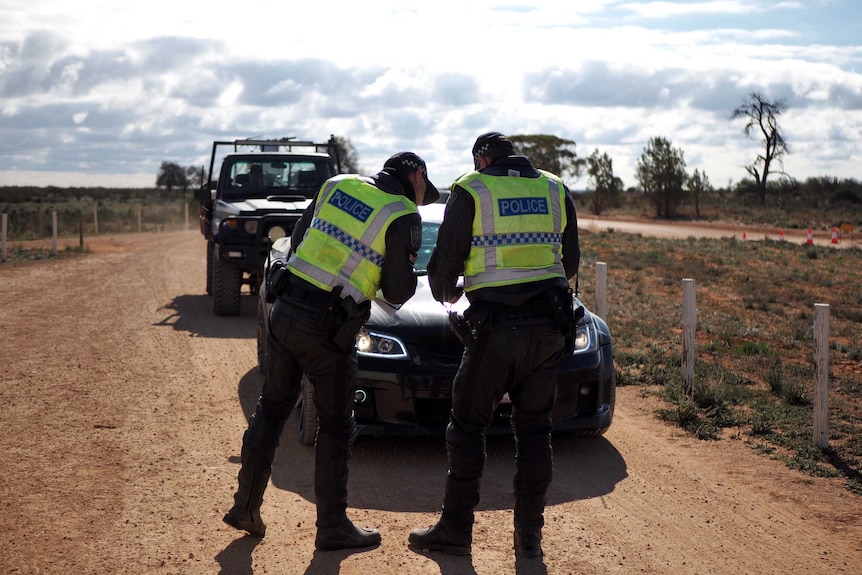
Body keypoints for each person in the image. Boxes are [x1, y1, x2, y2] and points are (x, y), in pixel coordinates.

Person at [224, 152, 439, 550]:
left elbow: (300, 240)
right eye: (424, 186)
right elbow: (395, 291)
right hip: (327, 328)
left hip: (286, 308)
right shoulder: (403, 213)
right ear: (416, 175)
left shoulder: (338, 184)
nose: (423, 195)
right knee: (337, 425)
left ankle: (245, 506)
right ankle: (333, 527)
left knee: (271, 407)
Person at [408, 132, 580, 558]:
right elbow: (570, 262)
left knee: (467, 428)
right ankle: (529, 540)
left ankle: (455, 531)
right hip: (548, 331)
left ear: (481, 158)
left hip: (496, 332)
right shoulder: (555, 188)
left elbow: (445, 263)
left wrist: (449, 295)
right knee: (536, 430)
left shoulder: (472, 187)